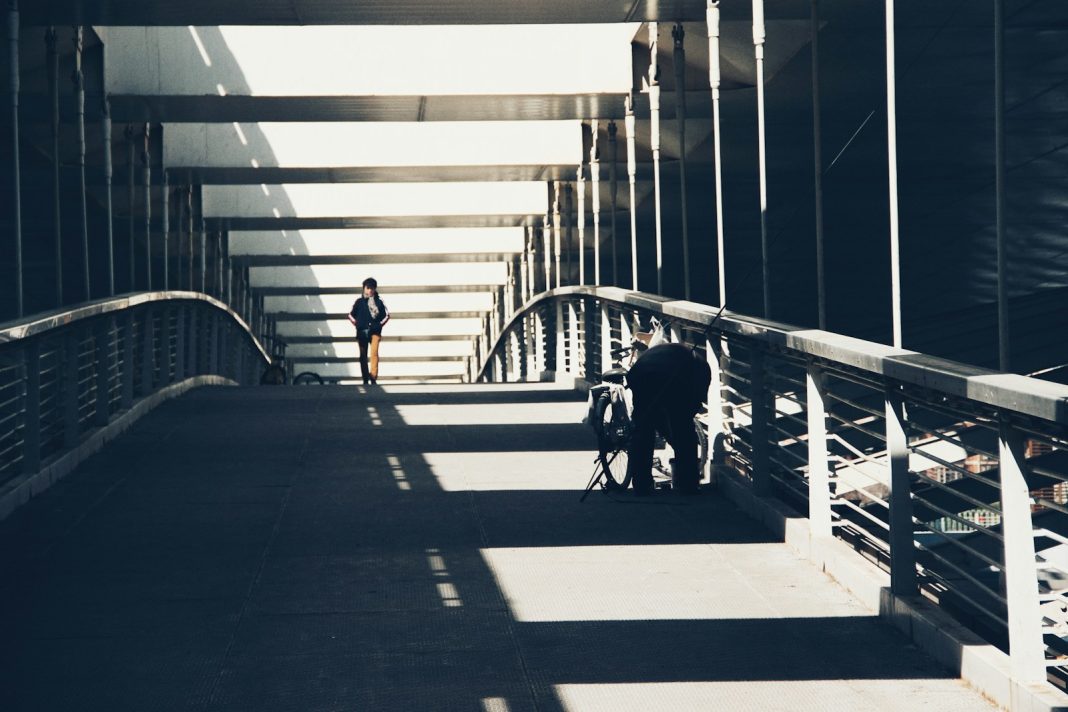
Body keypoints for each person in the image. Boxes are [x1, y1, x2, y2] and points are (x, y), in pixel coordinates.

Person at [624, 342, 712, 495]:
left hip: (642, 372)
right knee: (683, 430)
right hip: (666, 376)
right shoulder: (699, 370)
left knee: (643, 427)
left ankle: (641, 484)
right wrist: (676, 433)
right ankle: (687, 483)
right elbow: (691, 407)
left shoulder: (695, 366)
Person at [348, 277, 390, 385]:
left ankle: (373, 377)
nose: (370, 290)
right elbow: (350, 315)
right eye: (368, 288)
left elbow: (386, 316)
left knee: (374, 353)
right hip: (362, 332)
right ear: (364, 288)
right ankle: (365, 378)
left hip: (375, 332)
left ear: (375, 289)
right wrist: (358, 324)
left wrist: (379, 325)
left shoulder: (379, 302)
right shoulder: (359, 302)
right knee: (363, 356)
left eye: (372, 288)